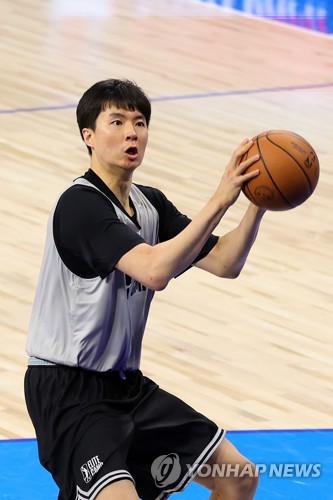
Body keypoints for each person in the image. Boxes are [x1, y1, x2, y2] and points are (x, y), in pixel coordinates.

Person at [24, 78, 265, 500]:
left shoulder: (150, 204)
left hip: (127, 387)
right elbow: (154, 271)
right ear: (89, 136)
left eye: (139, 122)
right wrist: (220, 198)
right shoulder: (79, 205)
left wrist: (259, 200)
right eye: (116, 121)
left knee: (238, 476)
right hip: (69, 392)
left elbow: (226, 262)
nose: (131, 132)